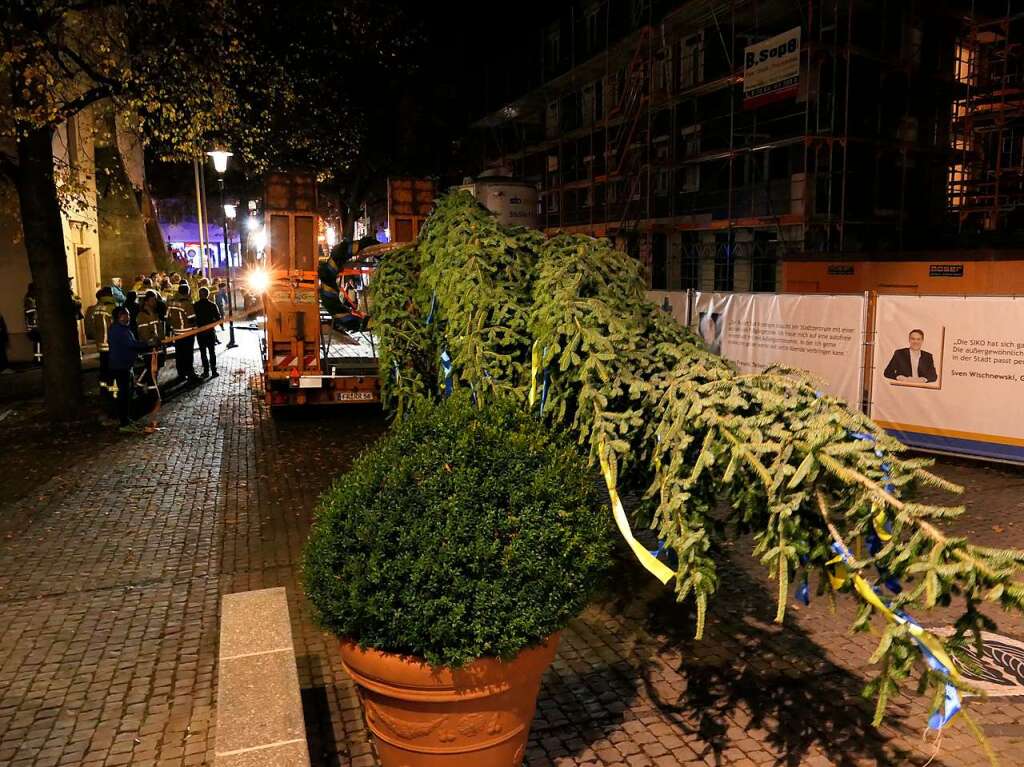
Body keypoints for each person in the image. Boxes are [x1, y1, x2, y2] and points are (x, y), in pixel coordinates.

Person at [108, 306, 155, 432]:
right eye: (126, 315)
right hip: (121, 367)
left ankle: (126, 420)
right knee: (124, 396)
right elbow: (131, 344)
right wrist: (148, 344)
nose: (129, 317)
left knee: (127, 394)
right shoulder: (120, 331)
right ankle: (124, 423)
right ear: (120, 316)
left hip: (124, 365)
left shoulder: (120, 329)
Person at [87, 287, 120, 398]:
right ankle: (114, 392)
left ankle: (104, 390)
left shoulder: (95, 309)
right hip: (112, 344)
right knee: (114, 370)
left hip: (101, 344)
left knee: (104, 369)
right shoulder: (113, 308)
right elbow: (118, 327)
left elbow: (91, 328)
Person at [167, 283, 199, 383]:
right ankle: (190, 374)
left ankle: (181, 374)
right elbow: (191, 319)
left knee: (179, 354)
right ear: (187, 292)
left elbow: (166, 317)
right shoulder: (186, 303)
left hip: (177, 333)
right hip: (187, 332)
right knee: (188, 354)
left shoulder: (171, 303)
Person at [193, 287, 221, 378]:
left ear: (199, 295)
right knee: (212, 352)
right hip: (210, 332)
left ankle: (206, 371)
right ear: (208, 294)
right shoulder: (212, 305)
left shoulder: (195, 305)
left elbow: (193, 319)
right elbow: (218, 318)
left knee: (203, 352)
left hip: (200, 332)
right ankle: (214, 370)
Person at [23, 283, 41, 363]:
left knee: (39, 343)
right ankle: (38, 359)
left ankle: (39, 359)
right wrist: (36, 309)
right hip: (33, 325)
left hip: (36, 324)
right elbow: (28, 311)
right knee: (37, 343)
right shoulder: (29, 299)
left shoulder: (33, 298)